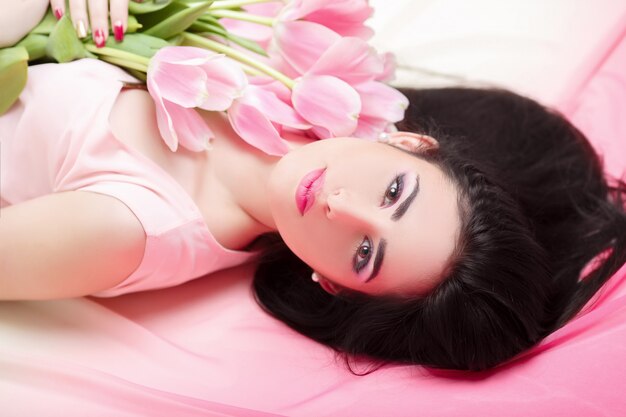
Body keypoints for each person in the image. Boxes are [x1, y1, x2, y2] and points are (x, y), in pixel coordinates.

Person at [1, 1, 625, 372]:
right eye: (393, 194)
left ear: (331, 285)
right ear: (410, 141)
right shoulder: (290, 46)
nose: (337, 205)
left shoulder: (133, 228)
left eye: (363, 253)